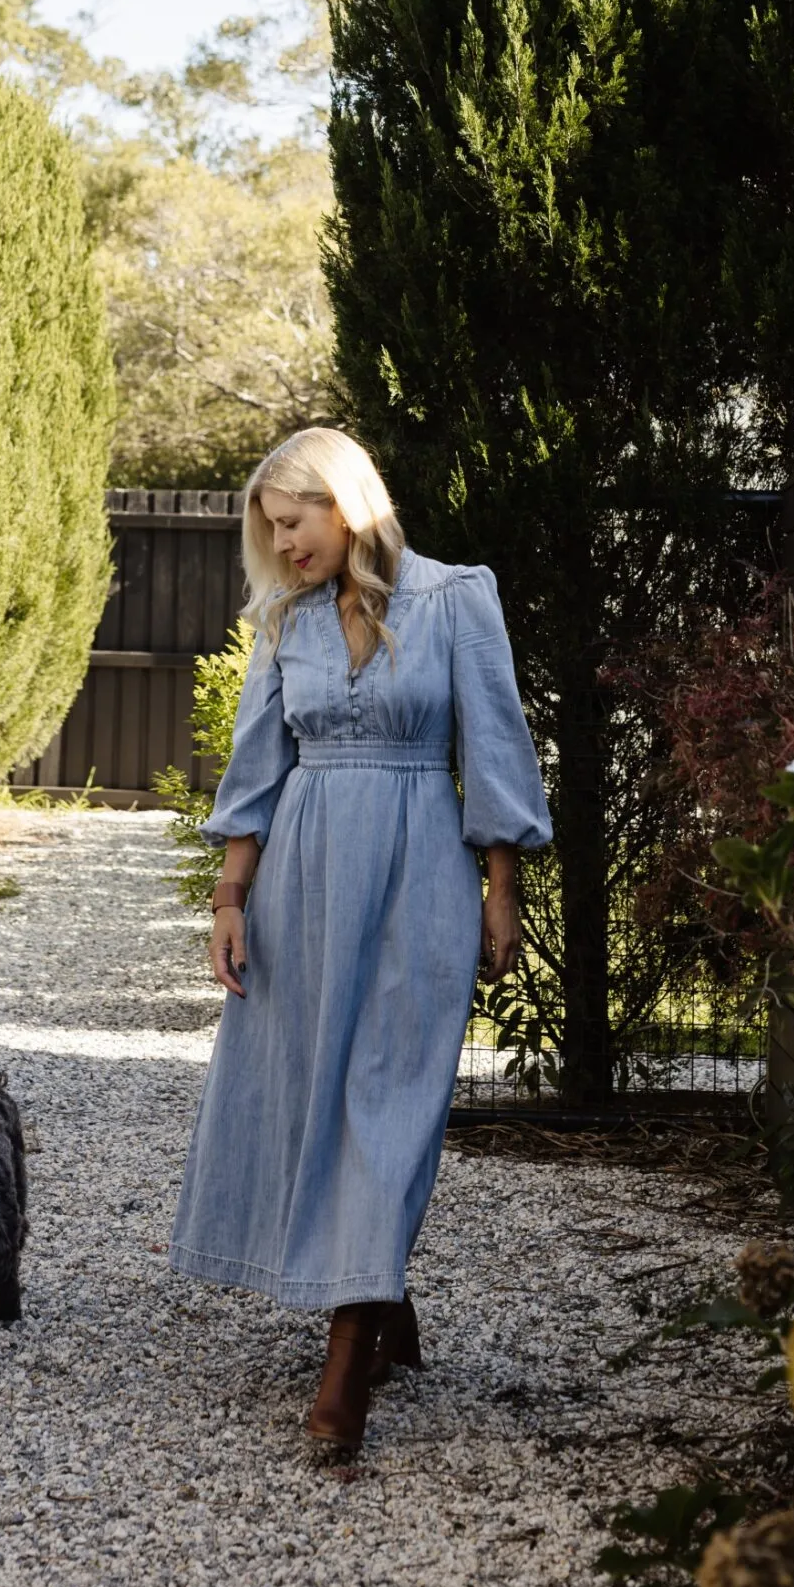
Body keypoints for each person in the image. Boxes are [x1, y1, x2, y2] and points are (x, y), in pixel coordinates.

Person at [168, 425, 552, 1462]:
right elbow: (255, 767)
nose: (284, 547)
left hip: (420, 872)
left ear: (342, 503)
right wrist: (229, 897)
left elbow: (496, 745)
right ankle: (383, 1300)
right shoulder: (285, 621)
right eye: (273, 532)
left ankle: (343, 1372)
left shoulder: (453, 598)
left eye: (293, 524)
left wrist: (500, 889)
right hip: (302, 879)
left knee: (392, 1093)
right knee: (319, 1089)